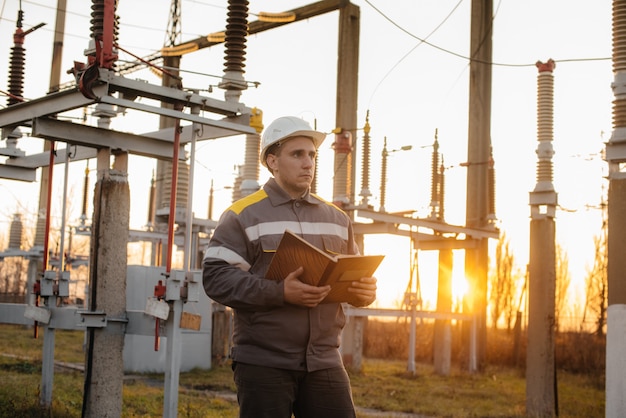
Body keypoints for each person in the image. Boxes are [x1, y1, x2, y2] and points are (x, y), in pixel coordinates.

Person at [202, 115, 378, 418]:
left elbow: (351, 276)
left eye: (311, 155)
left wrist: (363, 291)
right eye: (297, 154)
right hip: (264, 362)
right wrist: (280, 292)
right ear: (272, 160)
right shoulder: (242, 215)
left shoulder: (337, 219)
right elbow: (217, 279)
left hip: (323, 360)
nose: (308, 163)